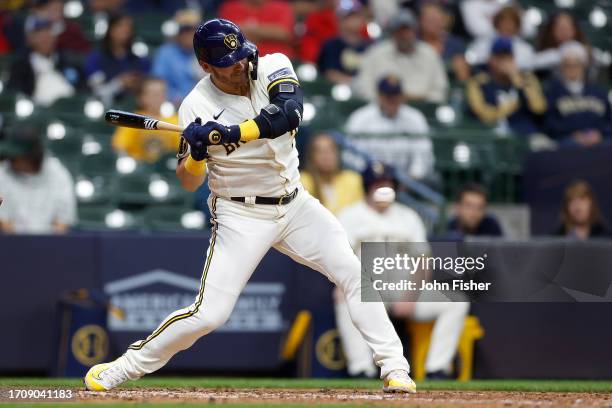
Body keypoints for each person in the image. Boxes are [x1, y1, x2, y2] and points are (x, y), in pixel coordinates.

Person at [84, 18, 416, 394]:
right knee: (209, 314)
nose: (240, 64)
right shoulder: (196, 105)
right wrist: (196, 152)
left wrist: (230, 133)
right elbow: (188, 178)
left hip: (296, 205)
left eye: (241, 53)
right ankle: (123, 367)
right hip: (241, 213)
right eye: (228, 60)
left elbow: (289, 112)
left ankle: (395, 369)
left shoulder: (273, 65)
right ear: (206, 66)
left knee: (355, 274)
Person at [336, 162, 469, 379]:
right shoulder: (350, 215)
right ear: (368, 187)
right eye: (377, 185)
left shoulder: (408, 216)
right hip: (366, 286)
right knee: (343, 298)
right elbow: (339, 259)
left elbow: (423, 261)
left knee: (457, 302)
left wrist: (410, 295)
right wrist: (342, 285)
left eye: (387, 186)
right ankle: (361, 369)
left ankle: (437, 368)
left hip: (403, 287)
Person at [346, 75, 434, 181]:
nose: (392, 99)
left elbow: (423, 153)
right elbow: (351, 154)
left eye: (396, 95)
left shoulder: (415, 118)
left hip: (406, 180)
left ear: (402, 96)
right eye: (388, 95)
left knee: (433, 180)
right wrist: (367, 179)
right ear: (379, 96)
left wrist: (412, 178)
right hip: (370, 179)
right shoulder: (360, 117)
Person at [355, 9, 448, 103]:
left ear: (414, 31)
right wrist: (387, 100)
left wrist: (418, 99)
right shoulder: (376, 53)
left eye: (407, 30)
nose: (404, 35)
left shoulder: (429, 53)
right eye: (399, 31)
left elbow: (440, 90)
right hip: (382, 110)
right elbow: (363, 87)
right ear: (392, 33)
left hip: (423, 109)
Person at [0, 124, 76, 234]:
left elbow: (62, 224)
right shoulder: (2, 174)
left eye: (14, 157)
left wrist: (41, 247)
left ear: (30, 157)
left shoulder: (59, 174)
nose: (10, 160)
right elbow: (4, 223)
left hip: (50, 246)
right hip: (11, 246)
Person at [466, 37, 546, 136]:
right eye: (499, 57)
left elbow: (538, 108)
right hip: (493, 136)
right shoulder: (480, 82)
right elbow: (484, 115)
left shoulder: (526, 78)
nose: (504, 62)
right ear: (491, 59)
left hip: (526, 135)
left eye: (508, 57)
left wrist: (517, 80)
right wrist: (509, 107)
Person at [544, 41, 611, 147]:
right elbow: (549, 123)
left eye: (576, 65)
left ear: (583, 66)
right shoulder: (552, 92)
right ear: (561, 67)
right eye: (567, 65)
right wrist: (573, 134)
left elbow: (609, 120)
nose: (572, 69)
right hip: (566, 141)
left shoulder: (598, 92)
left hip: (600, 140)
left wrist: (599, 134)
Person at [8, 16, 81, 106]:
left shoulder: (67, 61)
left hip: (70, 109)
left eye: (49, 32)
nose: (46, 37)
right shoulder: (21, 65)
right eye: (40, 34)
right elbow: (15, 93)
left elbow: (82, 88)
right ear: (29, 39)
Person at [84, 13, 151, 105]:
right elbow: (97, 92)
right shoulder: (96, 59)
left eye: (128, 27)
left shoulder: (139, 60)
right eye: (120, 26)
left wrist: (138, 85)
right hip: (105, 108)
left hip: (135, 108)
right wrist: (120, 83)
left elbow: (149, 87)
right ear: (111, 29)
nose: (125, 30)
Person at [112, 77, 181, 162]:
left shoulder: (175, 121)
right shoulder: (131, 120)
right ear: (141, 97)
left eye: (162, 93)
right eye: (153, 94)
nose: (158, 98)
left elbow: (181, 148)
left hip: (165, 168)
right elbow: (120, 146)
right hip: (139, 168)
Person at [300, 132, 364, 215]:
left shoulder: (353, 179)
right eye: (320, 151)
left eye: (331, 150)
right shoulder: (302, 181)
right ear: (311, 156)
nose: (327, 156)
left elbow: (359, 214)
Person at [152, 9, 203, 106]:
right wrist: (174, 97)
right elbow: (158, 83)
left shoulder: (205, 52)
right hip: (173, 104)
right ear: (178, 33)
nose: (188, 35)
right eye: (184, 31)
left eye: (192, 30)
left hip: (201, 104)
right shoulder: (165, 53)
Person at [467, 5, 535, 71]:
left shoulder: (526, 49)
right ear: (497, 23)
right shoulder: (481, 44)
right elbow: (475, 62)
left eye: (511, 22)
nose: (507, 25)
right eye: (503, 21)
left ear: (517, 26)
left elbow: (527, 68)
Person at [317, 0, 369, 84]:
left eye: (356, 16)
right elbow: (330, 73)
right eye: (349, 17)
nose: (354, 20)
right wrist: (354, 83)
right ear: (339, 21)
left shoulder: (369, 46)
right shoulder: (332, 45)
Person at [219, 0, 295, 58]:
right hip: (239, 62)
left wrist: (245, 30)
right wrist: (267, 33)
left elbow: (283, 33)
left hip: (275, 62)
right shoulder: (231, 8)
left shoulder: (281, 7)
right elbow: (226, 35)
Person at [418, 1, 470, 82]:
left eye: (437, 20)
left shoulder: (454, 43)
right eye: (430, 20)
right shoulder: (415, 44)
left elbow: (463, 76)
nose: (435, 24)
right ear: (421, 21)